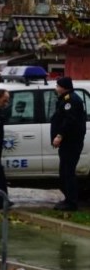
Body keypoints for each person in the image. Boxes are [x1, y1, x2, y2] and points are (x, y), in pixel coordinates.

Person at [50, 76, 86, 211]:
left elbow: (69, 121)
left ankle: (71, 203)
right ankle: (68, 199)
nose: (56, 88)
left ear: (63, 87)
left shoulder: (70, 100)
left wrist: (60, 135)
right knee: (64, 172)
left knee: (68, 172)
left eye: (57, 85)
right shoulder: (66, 98)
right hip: (67, 143)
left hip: (71, 142)